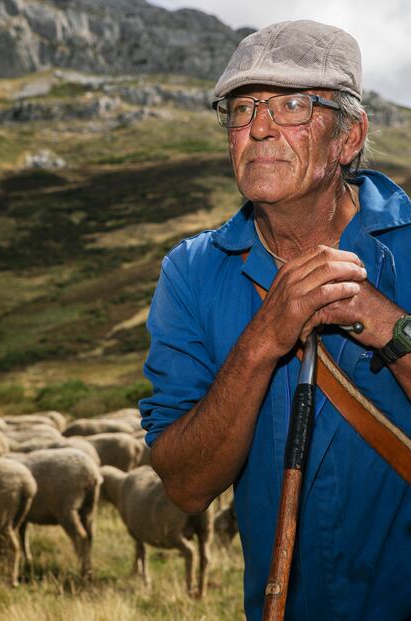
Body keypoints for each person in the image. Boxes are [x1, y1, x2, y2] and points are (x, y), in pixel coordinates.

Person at [139, 19, 411, 621]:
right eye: (240, 109)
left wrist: (386, 321)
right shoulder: (190, 275)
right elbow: (185, 487)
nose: (258, 127)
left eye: (291, 105)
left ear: (349, 135)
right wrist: (262, 338)